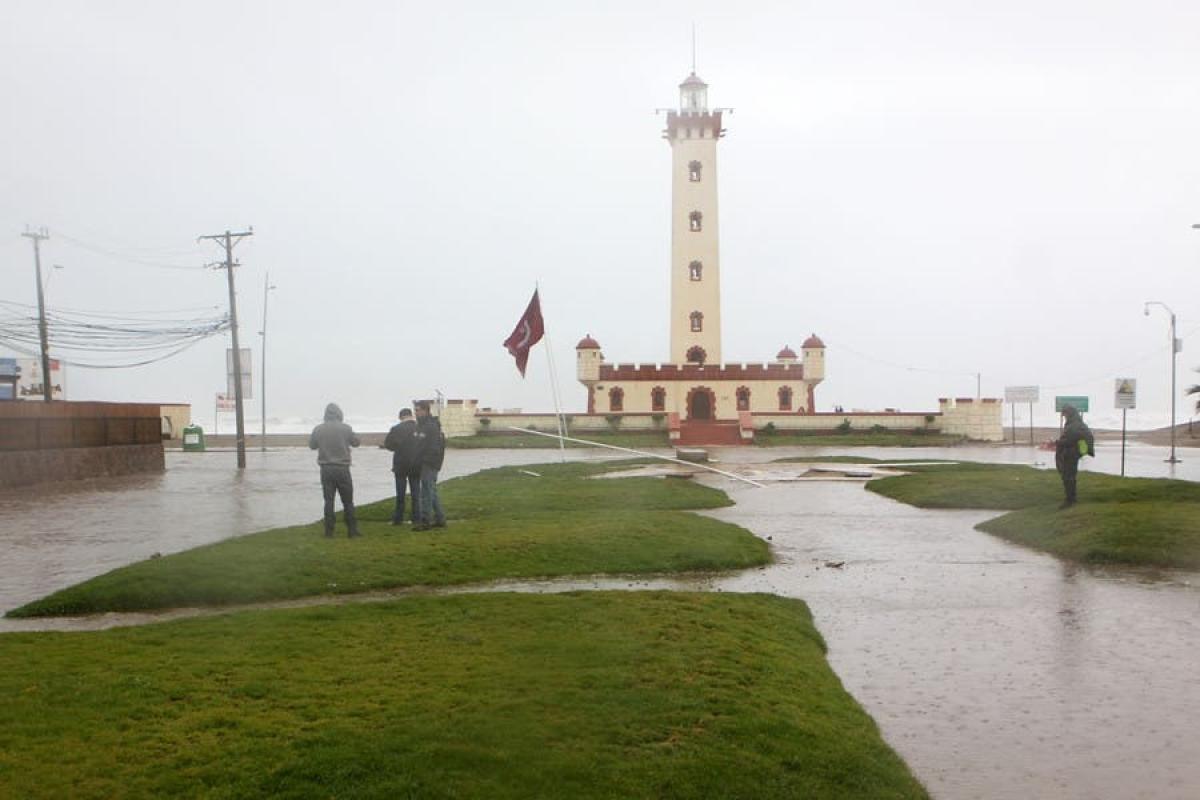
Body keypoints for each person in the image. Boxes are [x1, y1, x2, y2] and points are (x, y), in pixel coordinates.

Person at [309, 402, 362, 537]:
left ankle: (329, 531)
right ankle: (352, 530)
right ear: (339, 414)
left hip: (326, 469)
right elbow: (356, 443)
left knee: (329, 501)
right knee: (348, 501)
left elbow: (312, 446)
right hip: (343, 468)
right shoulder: (346, 428)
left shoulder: (318, 429)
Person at [383, 407, 421, 525]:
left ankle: (398, 518)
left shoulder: (396, 429)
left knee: (400, 493)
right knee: (416, 493)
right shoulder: (419, 428)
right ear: (411, 415)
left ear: (401, 417)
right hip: (416, 463)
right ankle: (417, 517)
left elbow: (388, 445)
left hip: (400, 464)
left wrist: (397, 447)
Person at [413, 400, 446, 530]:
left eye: (417, 410)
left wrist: (425, 460)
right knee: (431, 491)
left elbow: (434, 447)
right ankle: (440, 518)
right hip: (425, 462)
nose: (416, 412)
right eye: (415, 410)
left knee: (426, 492)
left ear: (425, 410)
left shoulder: (431, 426)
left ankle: (425, 521)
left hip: (430, 463)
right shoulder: (421, 425)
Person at [1054, 404, 1094, 509]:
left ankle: (1070, 500)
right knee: (1069, 476)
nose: (1064, 416)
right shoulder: (1076, 423)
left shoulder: (1074, 425)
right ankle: (1071, 498)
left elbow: (1069, 440)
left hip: (1071, 453)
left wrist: (1057, 442)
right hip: (1072, 453)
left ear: (1069, 413)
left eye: (1065, 414)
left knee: (1068, 477)